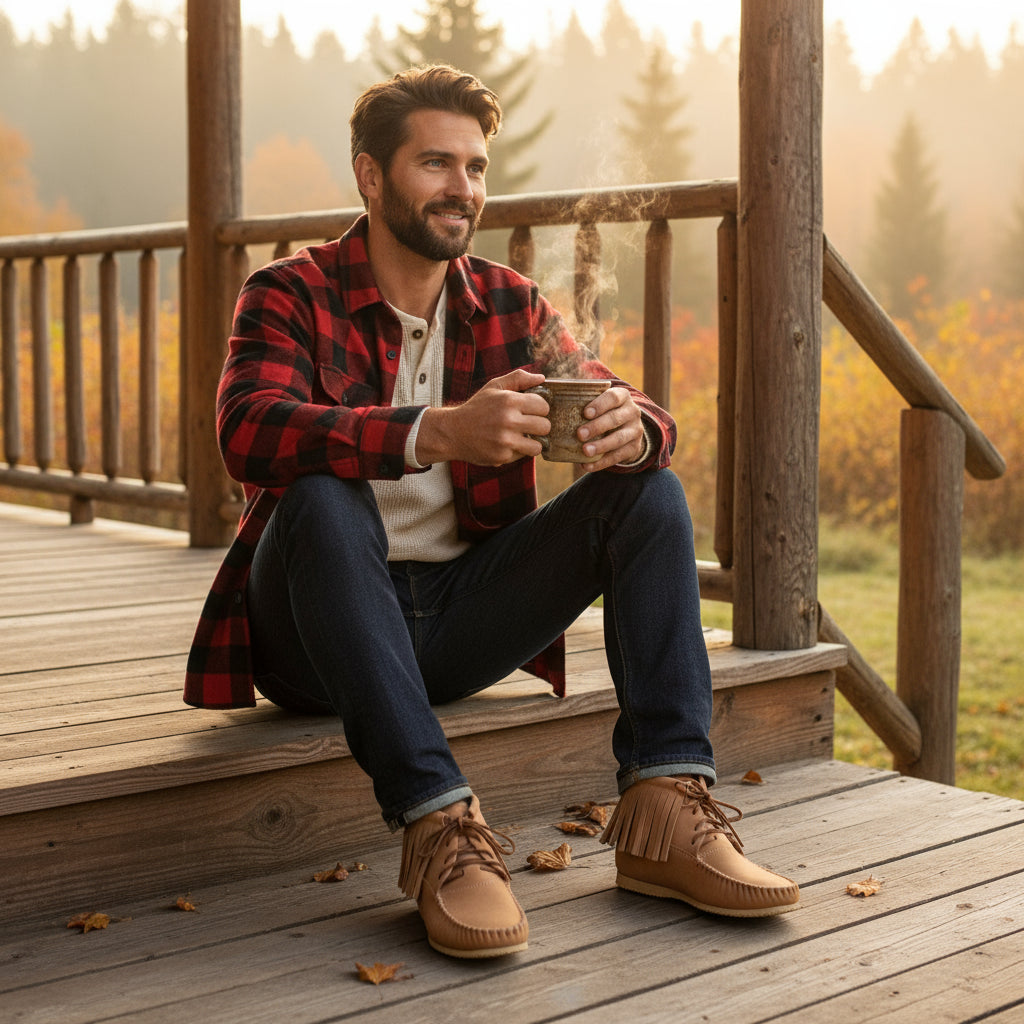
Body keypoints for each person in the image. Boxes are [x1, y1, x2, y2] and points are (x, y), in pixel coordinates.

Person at [185, 64, 799, 960]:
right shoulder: (289, 292)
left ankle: (667, 809)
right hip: (313, 633)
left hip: (460, 620)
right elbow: (247, 430)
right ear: (370, 174)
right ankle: (439, 827)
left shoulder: (508, 303)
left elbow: (626, 400)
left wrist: (634, 427)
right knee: (318, 492)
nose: (462, 189)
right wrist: (433, 432)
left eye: (475, 167)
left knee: (649, 494)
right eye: (437, 164)